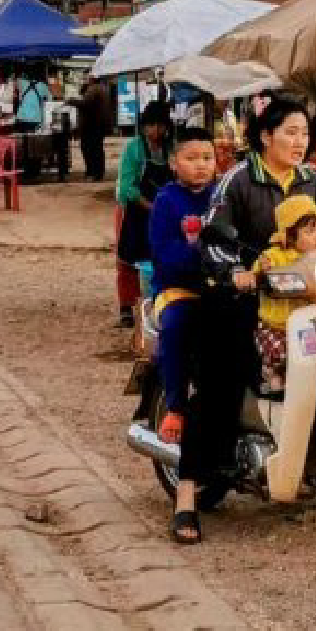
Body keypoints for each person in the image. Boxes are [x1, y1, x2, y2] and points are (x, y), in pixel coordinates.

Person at [170, 100, 316, 544]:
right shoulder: (239, 179)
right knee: (221, 379)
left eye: (304, 133)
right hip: (244, 297)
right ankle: (186, 492)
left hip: (303, 296)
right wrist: (231, 272)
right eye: (290, 132)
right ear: (265, 136)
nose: (299, 142)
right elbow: (213, 236)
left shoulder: (311, 180)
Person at [144, 127, 220, 447]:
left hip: (220, 286)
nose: (201, 165)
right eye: (191, 158)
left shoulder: (223, 193)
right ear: (174, 163)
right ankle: (175, 407)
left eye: (207, 158)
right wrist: (202, 255)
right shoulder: (166, 200)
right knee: (176, 326)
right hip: (177, 290)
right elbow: (163, 251)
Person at [252, 198, 316, 390]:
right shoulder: (276, 256)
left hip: (311, 323)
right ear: (289, 234)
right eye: (309, 231)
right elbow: (259, 270)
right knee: (284, 354)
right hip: (279, 326)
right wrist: (263, 270)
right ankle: (272, 370)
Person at [114, 102, 175, 328]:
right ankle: (126, 306)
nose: (155, 131)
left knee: (159, 257)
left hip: (162, 212)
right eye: (151, 125)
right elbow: (126, 187)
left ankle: (157, 300)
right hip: (133, 210)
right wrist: (150, 206)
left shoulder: (171, 148)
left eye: (160, 126)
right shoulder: (134, 148)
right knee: (127, 259)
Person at [79, 76, 115, 182]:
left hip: (92, 124)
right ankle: (98, 173)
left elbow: (85, 103)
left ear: (93, 79)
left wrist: (72, 101)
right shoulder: (103, 88)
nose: (85, 79)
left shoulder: (93, 89)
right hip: (100, 124)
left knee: (89, 148)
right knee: (97, 148)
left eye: (87, 77)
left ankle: (92, 173)